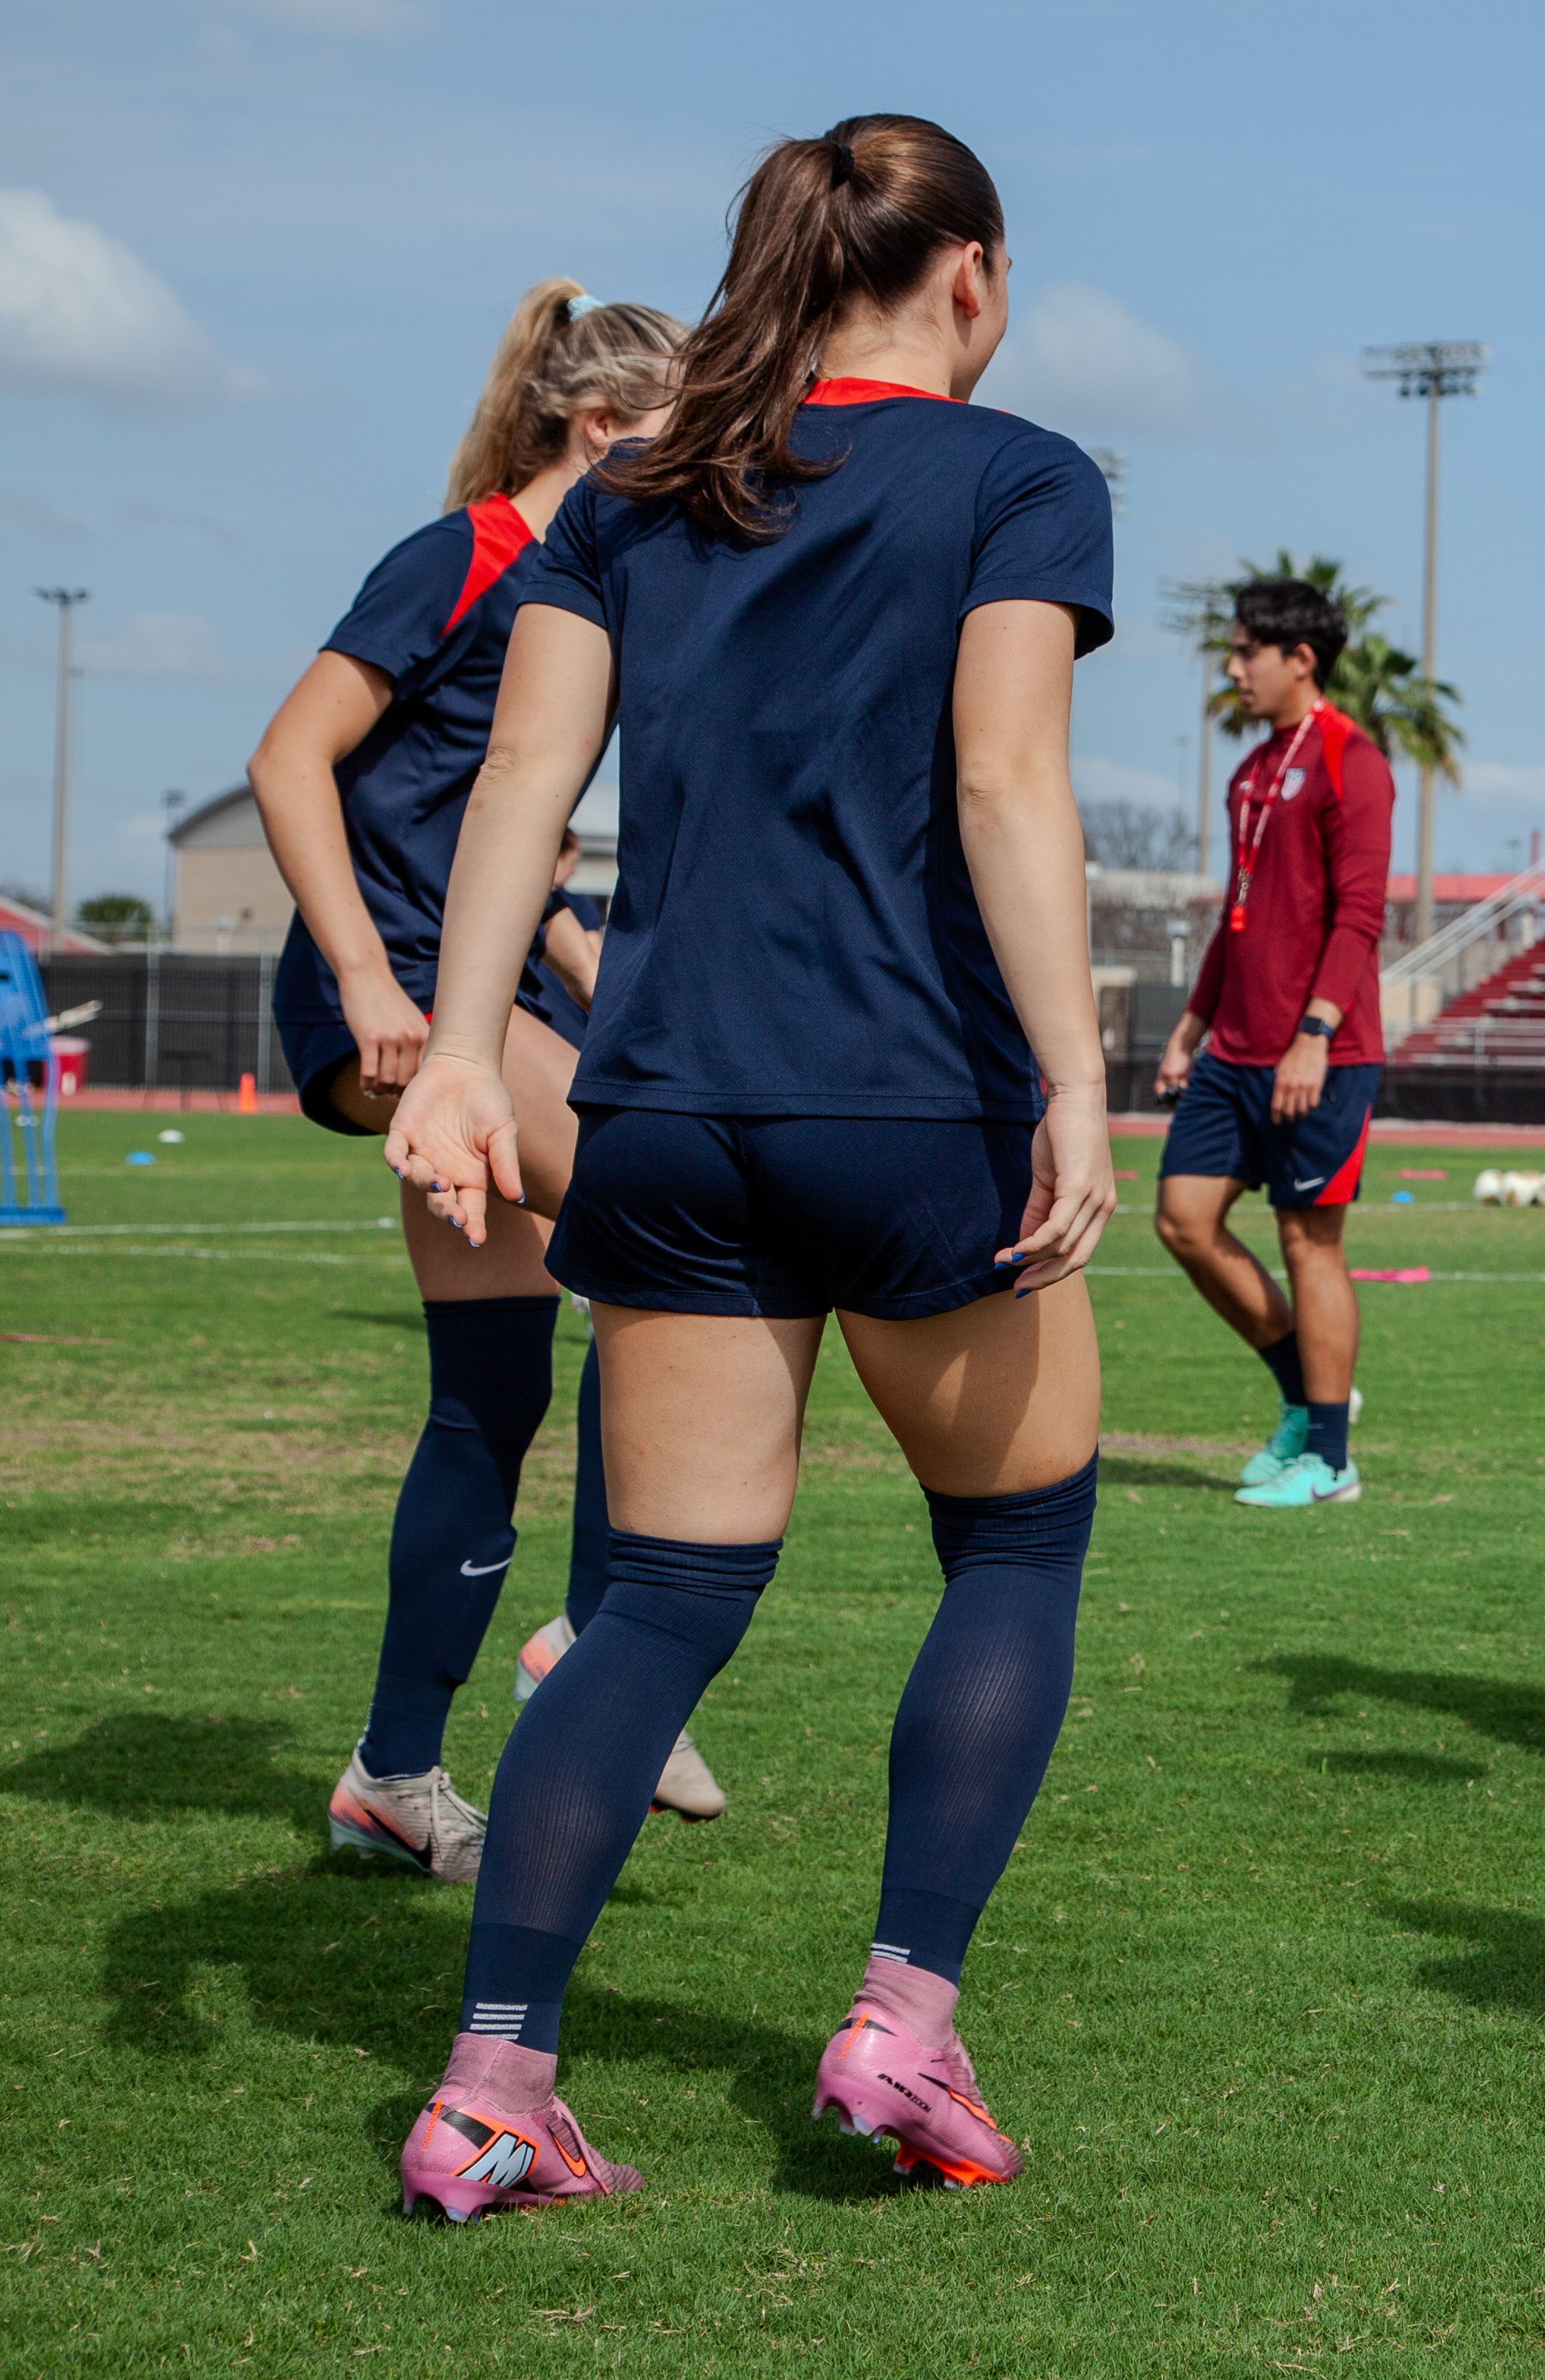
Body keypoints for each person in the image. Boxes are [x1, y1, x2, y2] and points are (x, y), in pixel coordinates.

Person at [380, 114, 1117, 2218]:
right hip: (913, 1110)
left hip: (667, 1112)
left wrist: (456, 1055)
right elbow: (1003, 778)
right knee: (1017, 1553)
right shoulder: (1021, 475)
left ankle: (495, 2085)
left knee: (660, 1605)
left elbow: (523, 777)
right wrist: (1072, 1072)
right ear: (967, 272)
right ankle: (899, 2029)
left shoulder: (633, 487)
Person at [244, 280, 720, 1886]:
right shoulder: (461, 558)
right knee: (657, 1206)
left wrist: (600, 973)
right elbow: (286, 756)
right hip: (384, 992)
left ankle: (390, 1775)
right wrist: (374, 981)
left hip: (483, 986)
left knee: (496, 1389)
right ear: (596, 429)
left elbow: (505, 847)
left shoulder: (594, 586)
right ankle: (598, 1645)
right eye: (677, 441)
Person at [1149, 579, 1394, 1511]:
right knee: (1182, 1219)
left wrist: (1316, 1035)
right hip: (1235, 1051)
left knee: (1307, 1240)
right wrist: (1189, 1027)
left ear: (1301, 659)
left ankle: (1330, 1459)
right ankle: (1310, 1396)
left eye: (1247, 650)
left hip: (1320, 1051)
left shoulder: (1351, 759)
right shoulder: (1250, 773)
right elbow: (1239, 915)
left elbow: (1360, 913)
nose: (1231, 667)